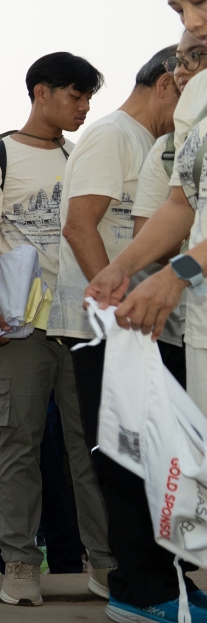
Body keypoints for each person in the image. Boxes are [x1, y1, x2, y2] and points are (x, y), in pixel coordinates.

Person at [81, 0, 207, 623]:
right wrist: (125, 265)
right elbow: (183, 203)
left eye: (200, 1)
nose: (190, 23)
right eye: (176, 8)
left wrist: (180, 273)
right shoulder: (197, 96)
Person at [0, 52, 114, 606]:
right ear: (41, 93)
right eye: (76, 95)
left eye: (88, 98)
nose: (84, 107)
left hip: (80, 324)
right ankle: (21, 563)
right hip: (20, 326)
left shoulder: (81, 157)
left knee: (89, 447)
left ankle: (106, 564)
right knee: (18, 443)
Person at [126, 38, 202, 385]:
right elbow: (179, 206)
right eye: (177, 62)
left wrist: (176, 274)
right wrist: (119, 270)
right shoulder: (175, 144)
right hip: (194, 325)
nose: (180, 72)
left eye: (194, 58)